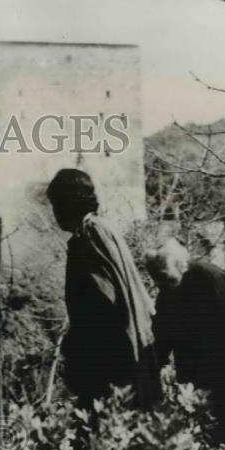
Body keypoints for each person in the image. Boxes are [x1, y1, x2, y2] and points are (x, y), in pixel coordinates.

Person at [46, 169, 161, 412]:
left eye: (56, 204)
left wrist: (79, 353)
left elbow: (102, 307)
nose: (54, 213)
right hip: (127, 354)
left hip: (112, 365)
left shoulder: (88, 237)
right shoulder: (102, 229)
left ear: (69, 204)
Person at [145, 238, 225, 446]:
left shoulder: (211, 278)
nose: (159, 284)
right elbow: (161, 339)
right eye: (155, 278)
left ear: (181, 265)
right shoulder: (167, 291)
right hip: (196, 382)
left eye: (162, 276)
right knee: (206, 439)